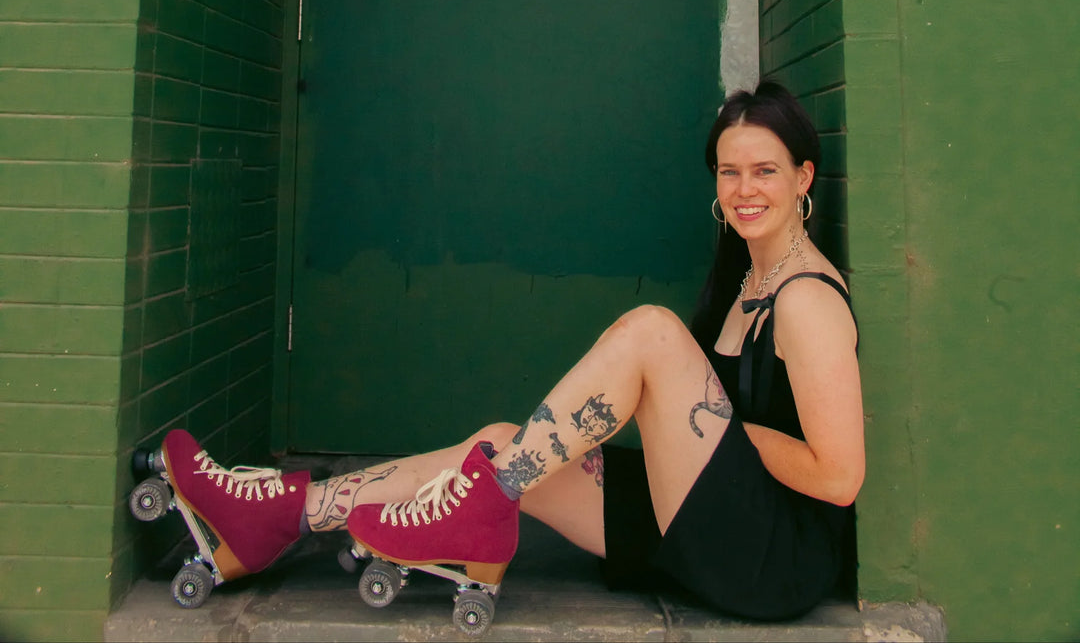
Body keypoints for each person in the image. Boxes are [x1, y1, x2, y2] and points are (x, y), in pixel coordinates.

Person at [156, 79, 863, 621]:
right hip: (713, 516)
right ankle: (286, 510)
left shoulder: (806, 300)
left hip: (770, 558)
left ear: (804, 177)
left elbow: (839, 479)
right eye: (728, 171)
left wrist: (708, 430)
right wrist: (694, 433)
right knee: (500, 443)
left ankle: (487, 501)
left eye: (765, 171)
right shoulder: (747, 276)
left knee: (651, 331)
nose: (744, 190)